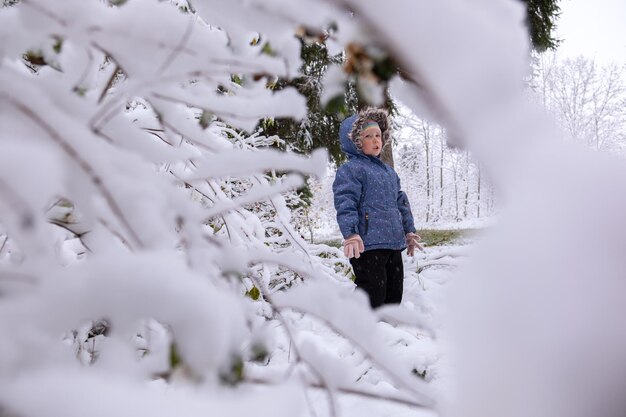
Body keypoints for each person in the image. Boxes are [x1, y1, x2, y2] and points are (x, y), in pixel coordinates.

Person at [333, 108, 422, 308]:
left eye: (378, 136)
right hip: (368, 243)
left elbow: (400, 201)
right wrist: (351, 234)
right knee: (372, 291)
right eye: (368, 136)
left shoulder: (389, 172)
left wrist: (408, 231)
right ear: (355, 140)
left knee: (394, 291)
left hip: (392, 242)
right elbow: (345, 201)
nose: (376, 141)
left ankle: (388, 332)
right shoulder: (351, 170)